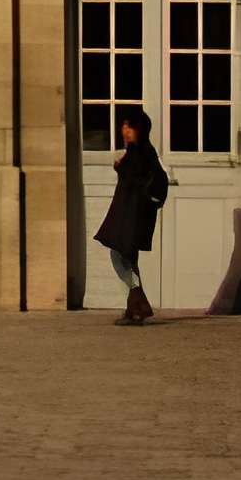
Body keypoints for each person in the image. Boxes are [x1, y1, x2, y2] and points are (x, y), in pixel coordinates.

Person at [94, 104, 169, 324]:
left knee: (120, 256)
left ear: (140, 129)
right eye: (124, 125)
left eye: (130, 126)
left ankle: (138, 300)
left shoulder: (143, 151)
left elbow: (139, 180)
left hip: (133, 215)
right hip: (128, 213)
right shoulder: (137, 150)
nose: (125, 130)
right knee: (127, 258)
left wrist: (121, 168)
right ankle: (134, 309)